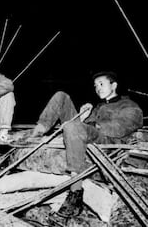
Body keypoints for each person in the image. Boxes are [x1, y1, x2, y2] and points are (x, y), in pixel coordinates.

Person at [29, 71, 143, 220]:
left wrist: (91, 123)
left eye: (102, 84)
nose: (98, 88)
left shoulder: (129, 105)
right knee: (61, 96)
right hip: (89, 134)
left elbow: (123, 126)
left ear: (114, 85)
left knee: (71, 127)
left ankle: (76, 190)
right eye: (95, 86)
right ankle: (38, 130)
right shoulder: (99, 106)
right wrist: (83, 116)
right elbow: (84, 126)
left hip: (108, 143)